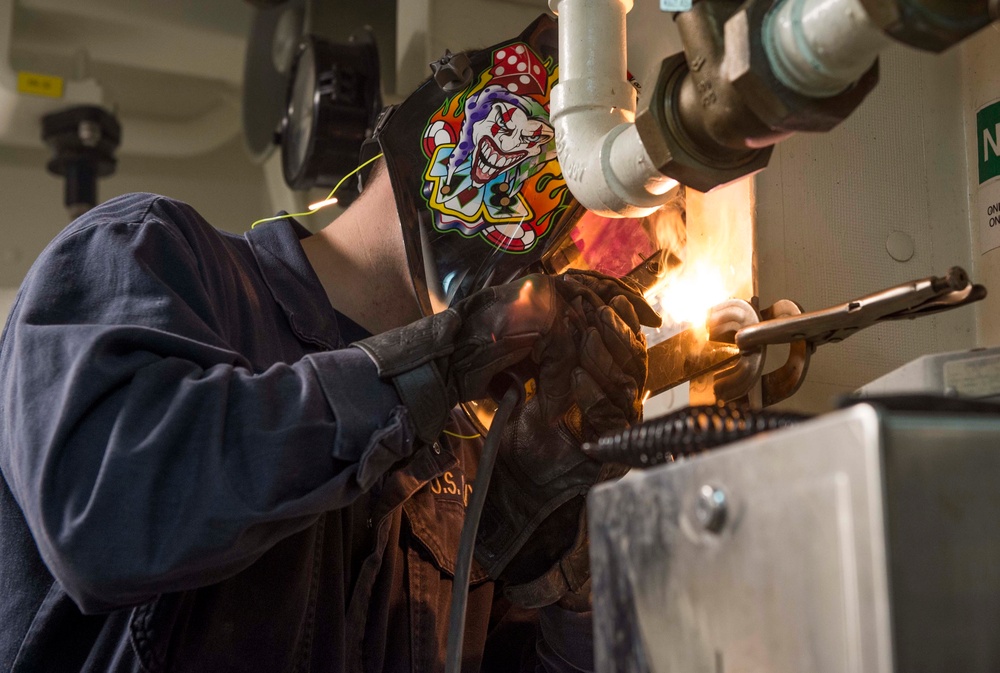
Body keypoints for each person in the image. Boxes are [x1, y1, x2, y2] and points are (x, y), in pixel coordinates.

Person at [0, 15, 660, 673]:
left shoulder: (466, 467)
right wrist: (417, 382)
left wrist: (568, 574)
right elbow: (104, 511)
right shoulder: (152, 257)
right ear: (445, 107)